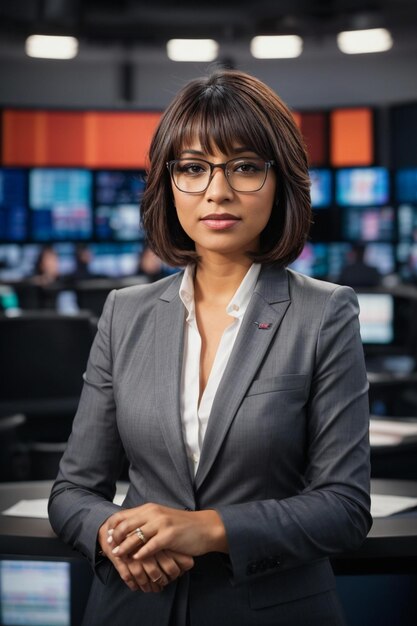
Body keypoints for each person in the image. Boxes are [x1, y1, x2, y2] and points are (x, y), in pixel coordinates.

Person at [49, 69, 372, 626]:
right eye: (194, 169)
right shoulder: (125, 312)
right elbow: (74, 490)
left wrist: (209, 529)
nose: (217, 191)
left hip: (268, 611)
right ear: (167, 183)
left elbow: (344, 507)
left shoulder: (325, 312)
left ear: (281, 181)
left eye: (245, 167)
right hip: (132, 609)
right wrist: (111, 534)